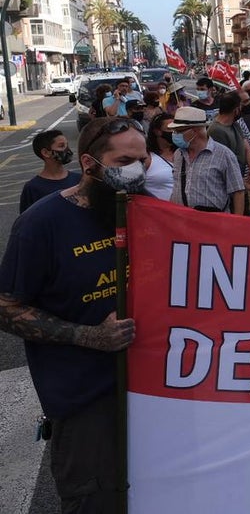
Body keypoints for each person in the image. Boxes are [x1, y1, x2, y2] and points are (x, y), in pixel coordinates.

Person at [0, 117, 143, 514]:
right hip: (85, 400)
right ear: (90, 163)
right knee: (95, 500)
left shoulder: (143, 213)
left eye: (143, 160)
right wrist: (88, 336)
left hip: (148, 390)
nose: (136, 170)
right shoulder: (41, 224)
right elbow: (7, 307)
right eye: (125, 159)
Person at [169, 107, 246, 215]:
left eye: (179, 131)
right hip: (183, 221)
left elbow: (238, 192)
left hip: (214, 223)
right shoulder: (178, 154)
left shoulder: (223, 154)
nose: (174, 134)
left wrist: (237, 223)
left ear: (194, 131)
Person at [20, 130, 81, 213]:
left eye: (67, 145)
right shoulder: (32, 188)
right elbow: (27, 220)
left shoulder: (79, 179)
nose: (67, 150)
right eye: (61, 146)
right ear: (45, 152)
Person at [143, 112, 176, 201]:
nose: (174, 132)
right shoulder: (147, 157)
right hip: (158, 210)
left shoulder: (183, 153)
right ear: (157, 131)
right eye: (170, 129)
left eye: (176, 128)